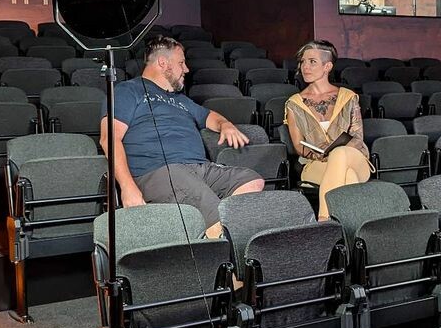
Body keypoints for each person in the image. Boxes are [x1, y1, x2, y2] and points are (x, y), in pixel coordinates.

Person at [100, 35, 264, 238]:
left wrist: (225, 124)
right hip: (158, 171)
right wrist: (127, 187)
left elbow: (209, 116)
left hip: (199, 168)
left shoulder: (181, 100)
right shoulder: (127, 90)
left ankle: (211, 236)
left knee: (252, 181)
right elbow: (109, 139)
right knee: (216, 215)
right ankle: (218, 240)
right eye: (181, 63)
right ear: (163, 63)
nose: (186, 69)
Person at [284, 40, 372, 221]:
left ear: (327, 66)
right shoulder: (294, 103)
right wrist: (322, 155)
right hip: (315, 164)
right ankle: (352, 228)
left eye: (312, 62)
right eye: (302, 62)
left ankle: (323, 221)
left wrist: (334, 154)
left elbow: (357, 138)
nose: (305, 67)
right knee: (349, 177)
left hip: (355, 159)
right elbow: (299, 147)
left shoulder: (348, 97)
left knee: (340, 154)